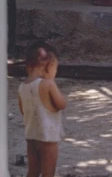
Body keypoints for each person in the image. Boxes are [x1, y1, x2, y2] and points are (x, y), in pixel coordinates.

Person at [18, 41, 67, 177]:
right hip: (48, 139)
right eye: (55, 68)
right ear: (50, 66)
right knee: (48, 172)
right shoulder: (48, 84)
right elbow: (61, 105)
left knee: (33, 171)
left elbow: (23, 111)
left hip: (31, 138)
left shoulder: (22, 87)